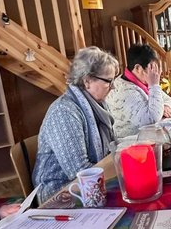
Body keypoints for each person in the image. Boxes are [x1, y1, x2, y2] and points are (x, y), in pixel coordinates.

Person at [32, 46, 119, 203]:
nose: (113, 86)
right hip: (60, 192)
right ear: (87, 81)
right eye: (109, 81)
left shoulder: (98, 105)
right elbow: (79, 172)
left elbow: (111, 150)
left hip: (89, 183)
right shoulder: (64, 111)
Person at [107, 44, 171, 138]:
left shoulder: (141, 82)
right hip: (129, 144)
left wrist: (165, 107)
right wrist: (154, 85)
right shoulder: (126, 91)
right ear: (138, 68)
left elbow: (169, 100)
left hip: (145, 139)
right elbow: (152, 118)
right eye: (152, 69)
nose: (156, 74)